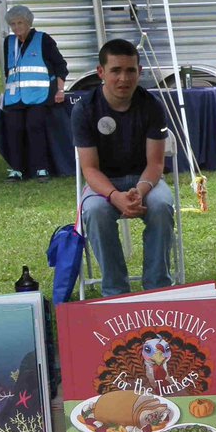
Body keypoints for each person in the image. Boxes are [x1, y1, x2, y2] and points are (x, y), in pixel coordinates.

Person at [73, 39, 174, 296]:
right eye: (115, 70)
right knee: (94, 211)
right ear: (101, 72)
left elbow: (156, 164)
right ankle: (116, 292)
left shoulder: (151, 106)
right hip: (103, 183)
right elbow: (90, 169)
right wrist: (114, 196)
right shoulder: (84, 109)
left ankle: (157, 288)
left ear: (139, 72)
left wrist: (139, 191)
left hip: (144, 179)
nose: (123, 78)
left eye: (130, 70)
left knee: (162, 205)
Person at [1, 4, 68, 182]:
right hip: (15, 96)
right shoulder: (9, 42)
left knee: (34, 128)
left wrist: (60, 89)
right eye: (13, 24)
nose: (16, 27)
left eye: (20, 23)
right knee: (13, 130)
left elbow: (61, 66)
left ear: (28, 23)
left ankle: (41, 168)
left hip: (39, 94)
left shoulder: (43, 39)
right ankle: (16, 170)